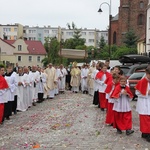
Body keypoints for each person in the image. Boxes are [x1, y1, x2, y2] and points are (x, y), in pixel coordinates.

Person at [135, 67, 150, 142]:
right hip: (144, 103)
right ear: (147, 74)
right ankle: (146, 133)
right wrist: (147, 93)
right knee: (145, 119)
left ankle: (146, 132)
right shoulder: (142, 82)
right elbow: (137, 93)